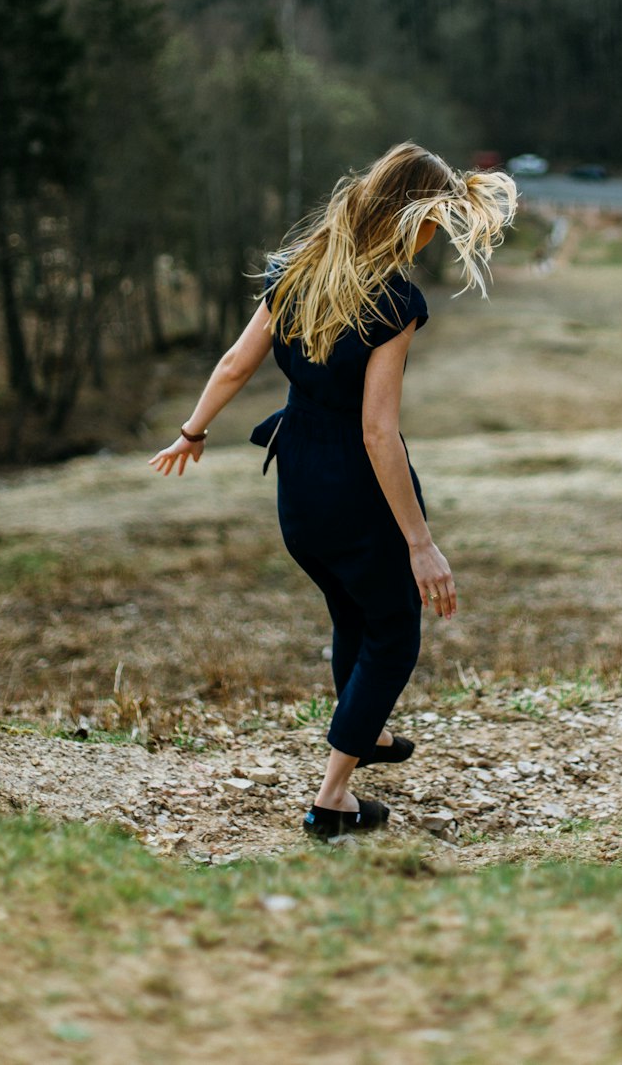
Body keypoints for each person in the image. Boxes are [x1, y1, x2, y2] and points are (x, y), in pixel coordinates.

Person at [149, 142, 517, 840]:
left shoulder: (296, 270)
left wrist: (192, 432)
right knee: (395, 634)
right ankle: (333, 800)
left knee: (353, 614)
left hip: (298, 489)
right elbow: (380, 433)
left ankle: (366, 732)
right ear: (412, 218)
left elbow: (234, 363)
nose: (436, 236)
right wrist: (422, 543)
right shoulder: (397, 302)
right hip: (357, 489)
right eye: (435, 222)